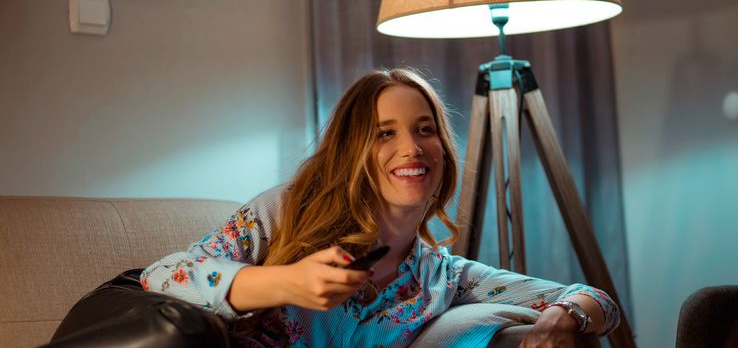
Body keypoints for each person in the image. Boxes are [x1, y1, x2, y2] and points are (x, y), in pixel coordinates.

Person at [141, 68, 620, 347]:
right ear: (353, 150)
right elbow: (162, 276)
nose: (411, 147)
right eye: (384, 133)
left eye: (425, 129)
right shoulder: (285, 214)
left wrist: (566, 316)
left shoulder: (441, 277)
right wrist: (287, 281)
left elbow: (598, 301)